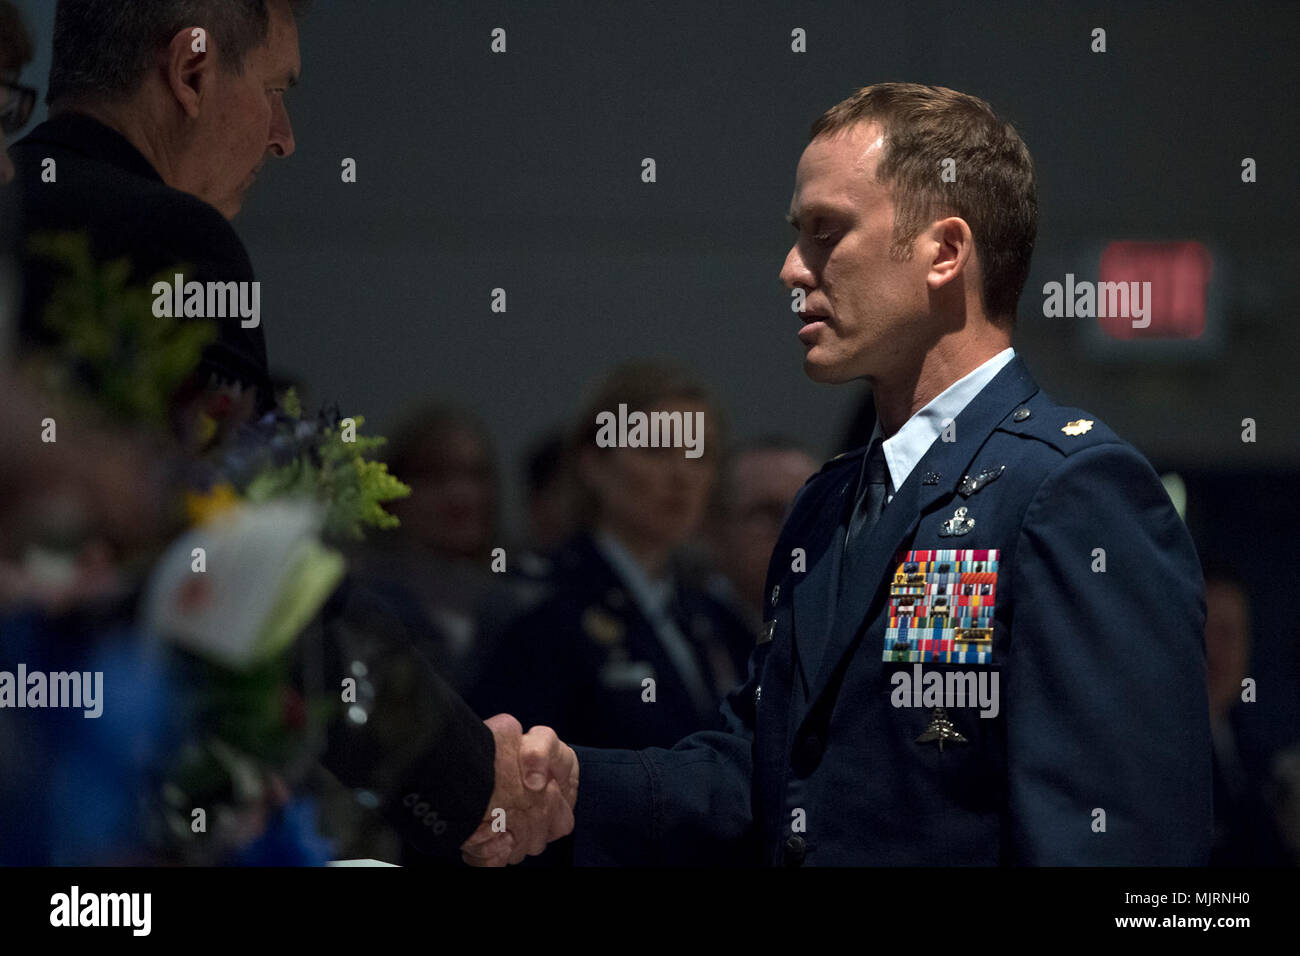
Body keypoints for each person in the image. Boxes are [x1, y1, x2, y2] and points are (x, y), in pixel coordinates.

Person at [470, 82, 1212, 866]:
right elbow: (766, 771)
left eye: (827, 234)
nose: (792, 269)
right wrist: (575, 786)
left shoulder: (1072, 492)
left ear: (945, 252)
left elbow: (1127, 847)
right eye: (799, 236)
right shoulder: (828, 505)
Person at [10, 0, 307, 411]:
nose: (284, 140)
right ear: (191, 73)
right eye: (272, 90)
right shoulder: (180, 238)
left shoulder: (13, 198)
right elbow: (231, 467)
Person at [467, 362, 754, 753]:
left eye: (699, 453)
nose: (682, 474)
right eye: (656, 449)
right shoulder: (538, 607)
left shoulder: (714, 619)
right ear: (594, 463)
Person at [705, 438, 819, 630]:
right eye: (769, 513)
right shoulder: (686, 629)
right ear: (717, 527)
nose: (793, 532)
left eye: (808, 513)